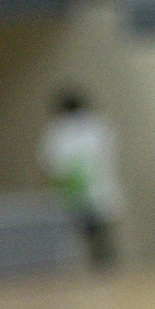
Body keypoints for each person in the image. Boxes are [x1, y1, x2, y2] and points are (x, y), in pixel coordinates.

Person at [41, 90, 121, 270]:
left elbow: (51, 163)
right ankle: (100, 263)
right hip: (85, 189)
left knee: (91, 230)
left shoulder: (59, 130)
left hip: (81, 189)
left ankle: (98, 263)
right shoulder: (97, 125)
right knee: (94, 230)